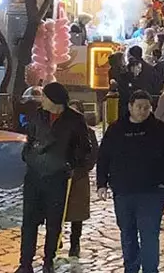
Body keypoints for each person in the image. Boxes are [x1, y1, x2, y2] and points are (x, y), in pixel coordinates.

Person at [97, 90, 164, 273]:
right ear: (130, 107)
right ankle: (130, 268)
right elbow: (104, 157)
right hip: (123, 192)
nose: (143, 111)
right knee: (127, 234)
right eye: (139, 107)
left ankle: (150, 270)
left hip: (152, 192)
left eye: (147, 107)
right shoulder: (116, 129)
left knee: (149, 235)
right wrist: (102, 183)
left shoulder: (159, 129)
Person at [16, 82, 91, 273]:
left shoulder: (75, 120)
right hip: (34, 176)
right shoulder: (38, 116)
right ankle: (25, 263)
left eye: (45, 97)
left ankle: (48, 260)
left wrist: (69, 163)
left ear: (55, 100)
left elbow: (84, 149)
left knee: (54, 222)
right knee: (29, 221)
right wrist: (29, 155)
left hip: (57, 177)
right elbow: (29, 140)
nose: (42, 100)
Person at [64, 100, 100, 258]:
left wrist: (83, 168)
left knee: (77, 214)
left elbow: (93, 155)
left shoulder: (88, 133)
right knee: (57, 210)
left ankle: (74, 243)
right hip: (61, 177)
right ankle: (55, 239)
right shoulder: (60, 130)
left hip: (79, 178)